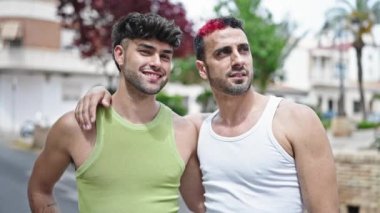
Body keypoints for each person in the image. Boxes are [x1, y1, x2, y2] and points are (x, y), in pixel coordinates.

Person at [75, 16, 339, 212]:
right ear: (203, 69)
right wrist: (101, 92)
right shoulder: (196, 129)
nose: (238, 60)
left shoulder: (295, 119)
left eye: (243, 49)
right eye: (224, 53)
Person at [27, 12, 204, 213]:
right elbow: (39, 190)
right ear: (120, 54)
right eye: (146, 51)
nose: (157, 62)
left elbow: (201, 206)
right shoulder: (76, 127)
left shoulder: (184, 131)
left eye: (165, 56)